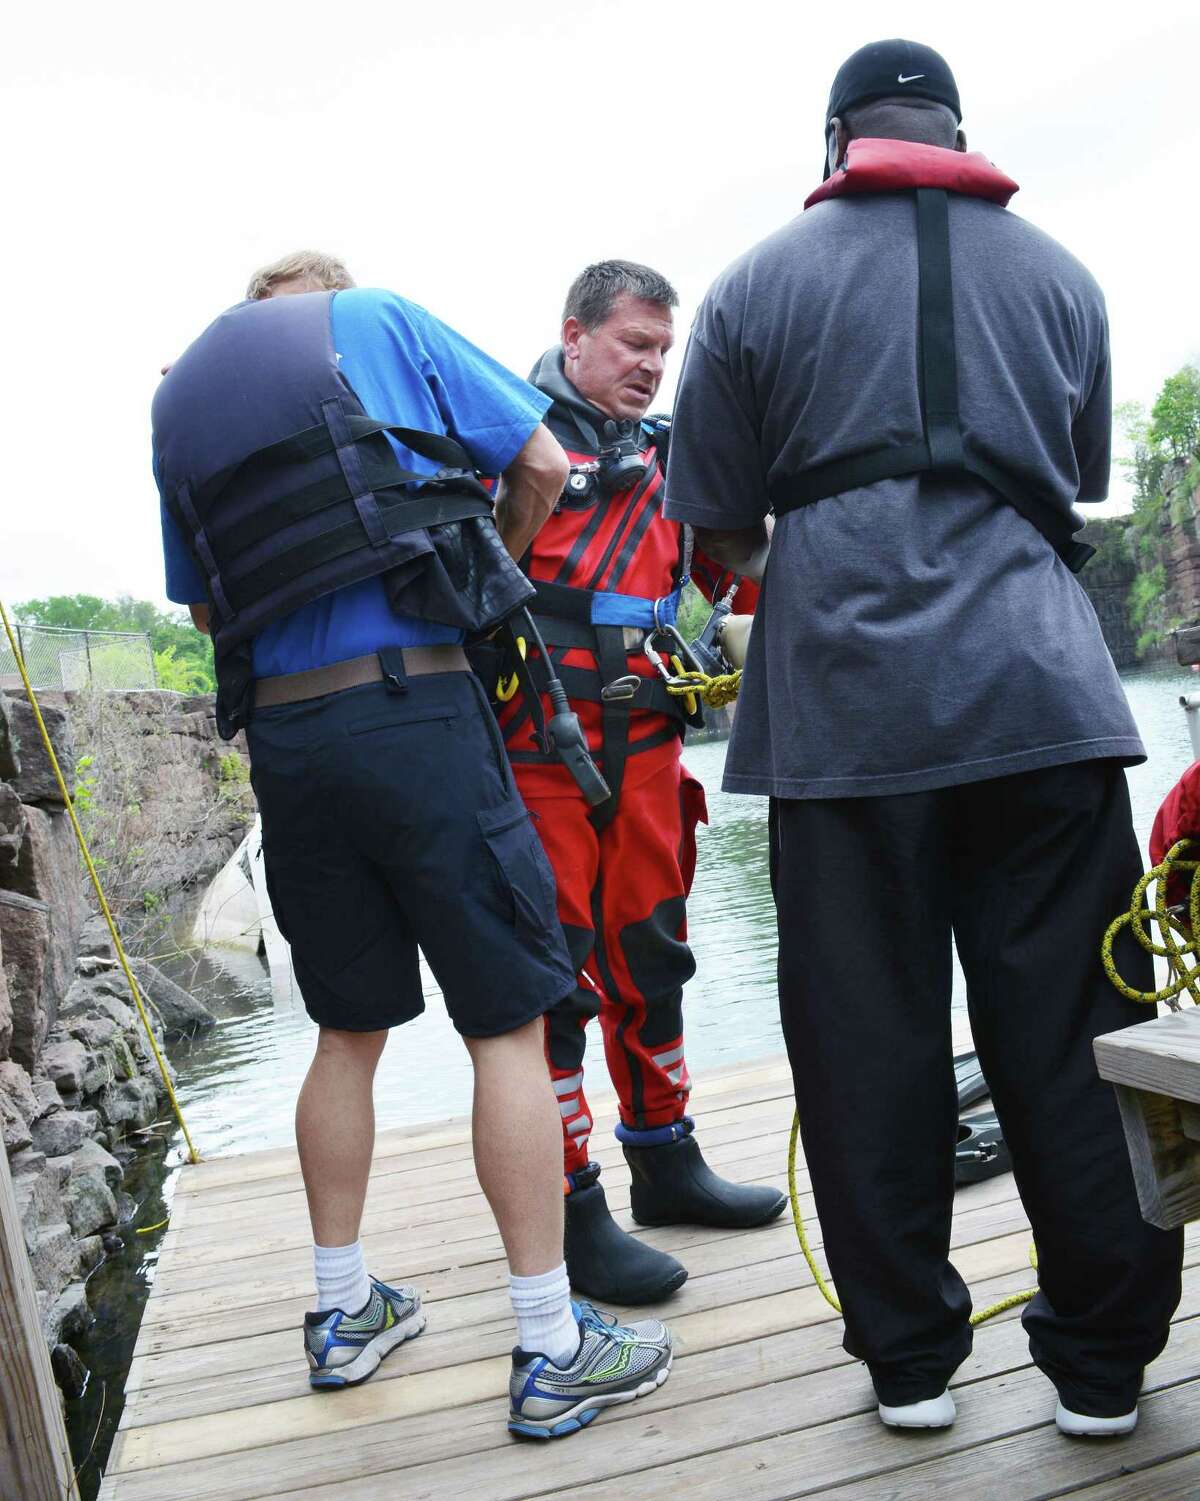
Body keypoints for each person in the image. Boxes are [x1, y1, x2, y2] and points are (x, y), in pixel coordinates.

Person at [663, 40, 1183, 1437]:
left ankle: (908, 1365)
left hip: (845, 716)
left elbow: (710, 515)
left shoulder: (757, 282)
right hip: (1046, 703)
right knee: (1083, 1037)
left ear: (836, 143)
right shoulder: (1066, 277)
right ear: (957, 133)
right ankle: (1105, 1367)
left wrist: (814, 560)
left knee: (866, 1042)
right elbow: (1067, 482)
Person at [152, 251, 672, 1437]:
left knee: (347, 1029)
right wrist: (477, 586)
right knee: (507, 1017)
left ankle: (344, 1312)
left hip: (288, 742)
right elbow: (544, 460)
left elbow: (203, 605)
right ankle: (550, 1342)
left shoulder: (179, 401)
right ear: (332, 304)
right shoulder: (378, 319)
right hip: (415, 707)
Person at [495, 261, 786, 1304]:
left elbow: (734, 570)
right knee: (556, 980)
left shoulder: (675, 458)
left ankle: (666, 1158)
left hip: (653, 748)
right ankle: (576, 1206)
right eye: (633, 345)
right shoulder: (508, 441)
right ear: (574, 336)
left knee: (654, 954)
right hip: (540, 750)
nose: (652, 367)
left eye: (664, 350)